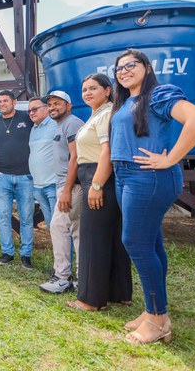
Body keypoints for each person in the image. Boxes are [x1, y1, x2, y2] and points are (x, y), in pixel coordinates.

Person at [111, 49, 195, 344]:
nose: (124, 71)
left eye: (131, 65)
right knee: (150, 242)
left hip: (148, 177)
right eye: (119, 68)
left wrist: (170, 159)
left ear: (147, 67)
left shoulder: (158, 94)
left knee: (135, 243)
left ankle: (157, 320)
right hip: (125, 175)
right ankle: (153, 309)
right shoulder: (127, 101)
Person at [68, 73, 132, 312]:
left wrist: (96, 185)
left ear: (107, 91)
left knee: (92, 238)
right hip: (97, 176)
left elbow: (107, 151)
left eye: (93, 88)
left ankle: (90, 299)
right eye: (84, 89)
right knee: (111, 237)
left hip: (98, 176)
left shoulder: (106, 114)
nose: (87, 93)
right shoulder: (98, 114)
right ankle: (119, 293)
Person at [39, 90, 84, 294]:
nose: (52, 108)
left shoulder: (72, 123)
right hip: (66, 186)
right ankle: (81, 278)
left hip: (71, 187)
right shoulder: (61, 125)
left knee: (58, 226)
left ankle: (62, 277)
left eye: (57, 103)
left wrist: (66, 190)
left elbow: (76, 158)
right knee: (76, 231)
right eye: (50, 104)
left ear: (69, 105)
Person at [0, 90, 35, 269]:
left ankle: (26, 254)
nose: (2, 104)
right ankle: (7, 252)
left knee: (26, 217)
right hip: (2, 177)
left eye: (5, 101)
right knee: (3, 216)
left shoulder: (27, 118)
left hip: (26, 176)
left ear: (14, 102)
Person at [27, 97, 58, 227]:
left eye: (35, 109)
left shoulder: (56, 124)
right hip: (38, 186)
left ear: (46, 108)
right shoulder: (33, 128)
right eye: (29, 111)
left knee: (60, 226)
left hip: (54, 184)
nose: (31, 112)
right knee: (51, 225)